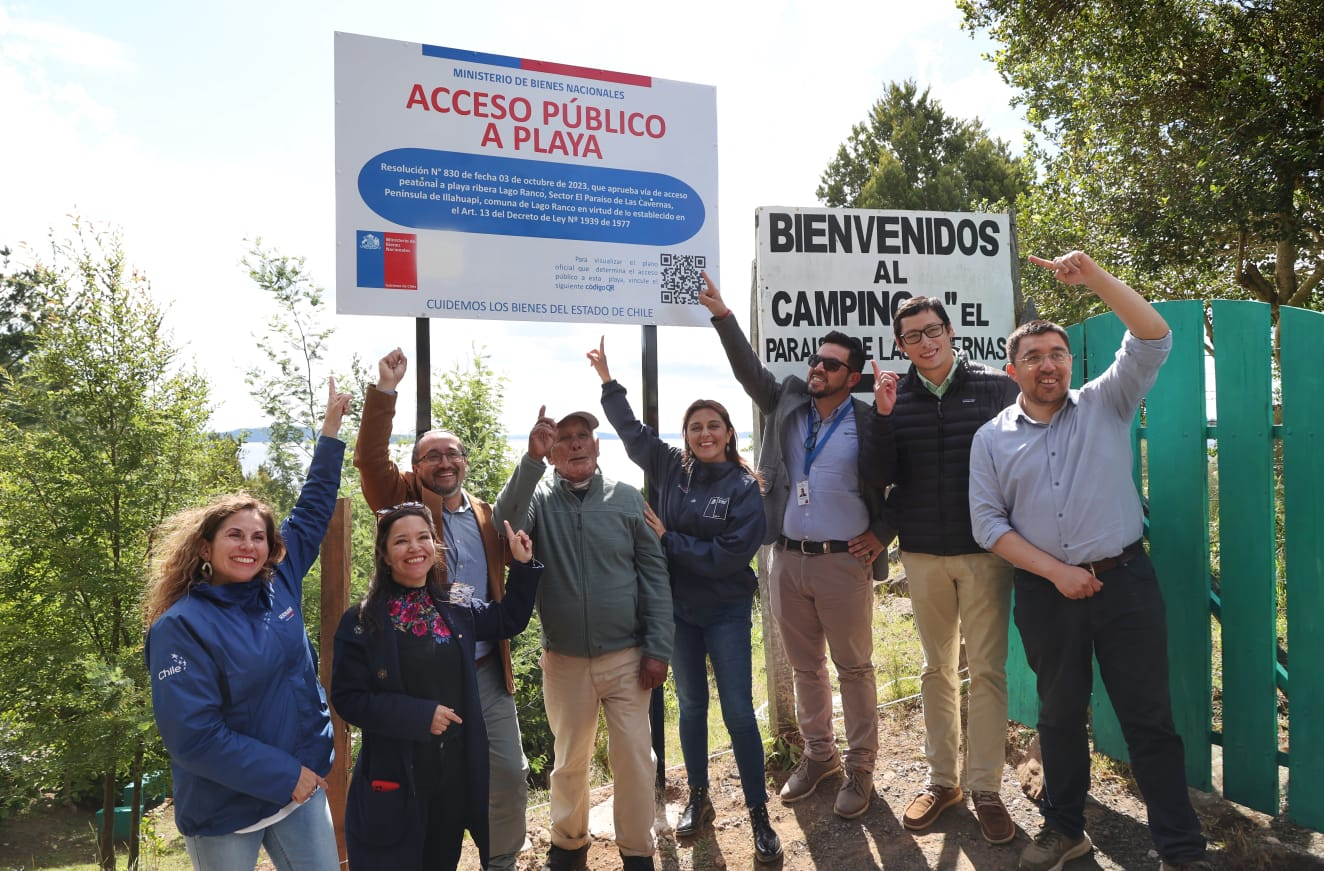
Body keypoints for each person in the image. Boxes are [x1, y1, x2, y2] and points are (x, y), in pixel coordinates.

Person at [968, 251, 1210, 871]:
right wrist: (1057, 572)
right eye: (1033, 357)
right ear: (1011, 368)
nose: (1047, 365)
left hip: (1125, 583)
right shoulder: (992, 437)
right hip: (1048, 596)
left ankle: (1181, 852)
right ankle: (1065, 829)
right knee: (1060, 716)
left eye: (1056, 355)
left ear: (1069, 363)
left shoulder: (1107, 401)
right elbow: (988, 524)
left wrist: (1094, 277)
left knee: (1150, 721)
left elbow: (1154, 336)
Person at [698, 272, 891, 820]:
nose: (817, 368)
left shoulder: (869, 419)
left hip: (844, 562)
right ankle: (820, 756)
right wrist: (723, 317)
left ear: (850, 377)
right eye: (815, 359)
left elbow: (900, 482)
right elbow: (747, 370)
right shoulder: (787, 401)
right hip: (786, 558)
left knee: (854, 669)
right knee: (807, 669)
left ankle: (861, 767)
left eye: (830, 364)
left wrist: (883, 535)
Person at [586, 337, 783, 864]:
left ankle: (759, 813)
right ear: (686, 435)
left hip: (725, 608)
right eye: (695, 427)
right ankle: (700, 797)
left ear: (728, 433)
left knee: (739, 710)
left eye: (713, 426)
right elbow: (631, 434)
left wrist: (669, 538)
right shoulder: (671, 466)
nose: (704, 434)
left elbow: (727, 556)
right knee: (692, 707)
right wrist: (609, 381)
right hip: (678, 610)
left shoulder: (744, 486)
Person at [144, 379, 351, 871]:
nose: (248, 545)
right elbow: (194, 737)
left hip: (299, 791)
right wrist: (285, 775)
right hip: (225, 809)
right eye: (234, 535)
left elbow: (315, 506)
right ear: (205, 548)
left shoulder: (279, 582)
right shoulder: (181, 627)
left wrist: (331, 430)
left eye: (258, 536)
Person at [355, 347, 530, 871]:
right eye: (432, 455)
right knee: (432, 787)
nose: (445, 462)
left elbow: (502, 601)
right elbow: (369, 459)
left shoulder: (481, 514)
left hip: (484, 672)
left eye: (452, 454)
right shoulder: (403, 503)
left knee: (508, 777)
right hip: (424, 678)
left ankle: (500, 862)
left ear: (465, 462)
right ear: (415, 468)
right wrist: (385, 392)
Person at [494, 404, 673, 871]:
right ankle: (568, 847)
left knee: (636, 757)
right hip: (565, 660)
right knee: (569, 760)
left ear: (596, 446)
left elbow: (654, 578)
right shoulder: (540, 500)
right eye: (564, 438)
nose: (575, 443)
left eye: (583, 436)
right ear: (552, 452)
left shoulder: (628, 498)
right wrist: (529, 462)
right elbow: (504, 522)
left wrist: (657, 648)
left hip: (628, 658)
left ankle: (637, 853)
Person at [872, 297, 1021, 844]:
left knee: (986, 671)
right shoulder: (895, 397)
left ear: (951, 331)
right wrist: (884, 418)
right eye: (913, 337)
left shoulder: (995, 388)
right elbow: (881, 474)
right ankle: (942, 782)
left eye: (933, 331)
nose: (925, 342)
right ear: (900, 346)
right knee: (936, 669)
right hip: (922, 553)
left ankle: (985, 788)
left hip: (985, 552)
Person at [330, 505, 542, 870]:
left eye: (423, 537)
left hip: (452, 775)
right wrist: (419, 716)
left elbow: (507, 619)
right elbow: (349, 699)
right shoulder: (362, 619)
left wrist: (523, 567)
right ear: (384, 554)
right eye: (401, 541)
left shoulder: (454, 599)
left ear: (435, 545)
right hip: (395, 774)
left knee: (442, 860)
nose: (415, 548)